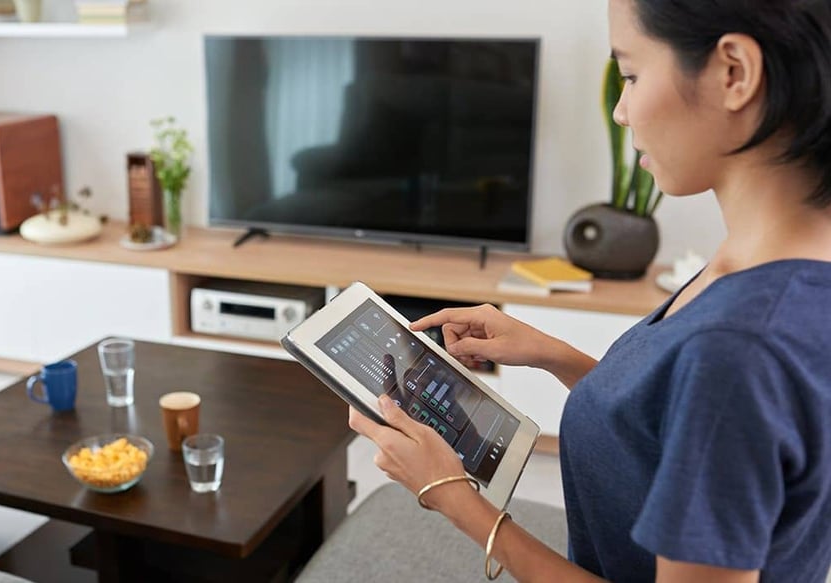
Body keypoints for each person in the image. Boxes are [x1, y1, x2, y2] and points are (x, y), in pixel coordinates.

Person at [347, 0, 831, 581]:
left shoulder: (739, 346)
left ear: (734, 73)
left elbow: (722, 393)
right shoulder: (777, 264)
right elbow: (689, 433)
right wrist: (553, 353)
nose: (622, 112)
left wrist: (451, 494)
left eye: (630, 74)